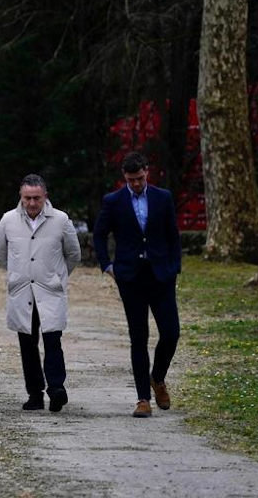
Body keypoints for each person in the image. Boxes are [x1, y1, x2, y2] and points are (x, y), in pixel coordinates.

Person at [93, 151, 181, 418]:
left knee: (171, 332)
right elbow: (99, 234)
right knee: (138, 336)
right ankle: (143, 398)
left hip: (160, 275)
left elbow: (172, 235)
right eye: (131, 180)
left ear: (147, 172)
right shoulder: (114, 201)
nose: (136, 184)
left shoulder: (162, 197)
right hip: (130, 278)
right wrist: (108, 266)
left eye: (140, 178)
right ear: (124, 177)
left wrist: (174, 267)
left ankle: (158, 377)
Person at [0, 174, 81, 413]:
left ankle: (56, 389)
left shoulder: (61, 220)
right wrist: (17, 274)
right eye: (27, 198)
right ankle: (34, 393)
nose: (32, 203)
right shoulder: (8, 221)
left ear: (45, 197)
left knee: (53, 339)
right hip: (22, 291)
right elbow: (1, 254)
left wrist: (57, 276)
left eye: (36, 198)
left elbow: (73, 254)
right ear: (20, 198)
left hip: (49, 290)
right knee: (27, 342)